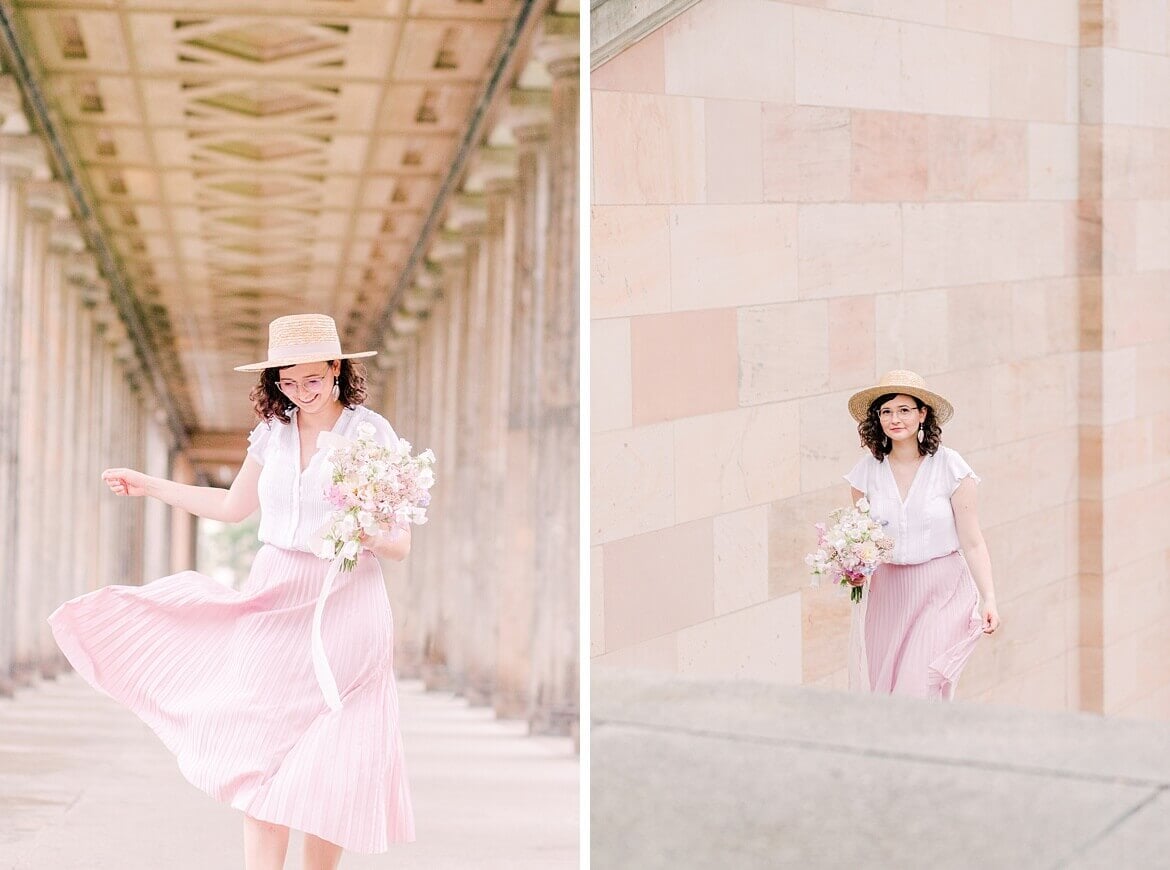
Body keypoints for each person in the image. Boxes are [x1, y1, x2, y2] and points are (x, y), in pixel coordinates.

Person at [48, 313, 415, 870]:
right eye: (286, 383)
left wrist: (366, 530)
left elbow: (400, 543)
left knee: (333, 763)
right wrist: (149, 486)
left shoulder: (371, 433)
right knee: (259, 750)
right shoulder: (271, 434)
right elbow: (230, 507)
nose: (300, 394)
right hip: (272, 598)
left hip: (344, 603)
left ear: (337, 368)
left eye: (311, 380)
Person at [843, 370, 1000, 700]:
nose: (895, 419)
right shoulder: (865, 473)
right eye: (886, 411)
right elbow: (861, 539)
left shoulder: (950, 466)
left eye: (904, 409)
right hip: (888, 594)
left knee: (918, 688)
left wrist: (990, 598)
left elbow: (972, 541)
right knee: (886, 694)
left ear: (922, 413)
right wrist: (853, 569)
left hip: (941, 591)